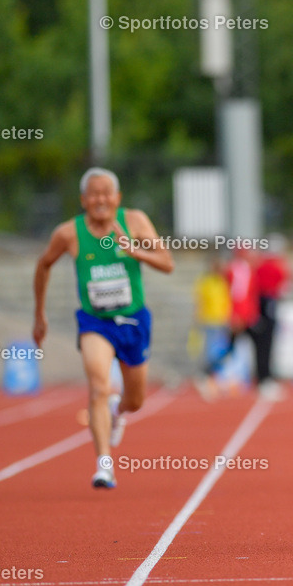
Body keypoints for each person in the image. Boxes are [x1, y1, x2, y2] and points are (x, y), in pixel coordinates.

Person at [33, 168, 173, 489]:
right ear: (83, 200)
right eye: (93, 194)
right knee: (98, 386)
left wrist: (133, 249)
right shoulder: (69, 233)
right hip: (95, 322)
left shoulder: (135, 221)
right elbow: (43, 265)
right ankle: (104, 465)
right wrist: (39, 314)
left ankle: (119, 410)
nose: (100, 199)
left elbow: (167, 262)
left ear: (117, 198)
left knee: (136, 399)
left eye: (106, 193)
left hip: (134, 320)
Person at [200, 247, 261, 395]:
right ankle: (209, 374)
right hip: (234, 315)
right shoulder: (234, 270)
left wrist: (252, 313)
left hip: (245, 315)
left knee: (241, 347)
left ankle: (248, 379)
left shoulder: (247, 270)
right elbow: (235, 294)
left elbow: (250, 294)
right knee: (227, 348)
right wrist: (236, 314)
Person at [253, 235, 290, 396]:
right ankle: (264, 378)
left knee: (263, 345)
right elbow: (282, 288)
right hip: (266, 306)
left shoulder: (259, 265)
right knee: (265, 344)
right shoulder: (274, 266)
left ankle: (264, 377)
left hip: (262, 306)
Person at [191, 254, 232, 392]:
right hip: (208, 320)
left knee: (220, 352)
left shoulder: (222, 281)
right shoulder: (205, 282)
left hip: (221, 321)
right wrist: (198, 318)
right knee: (210, 352)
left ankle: (213, 376)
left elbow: (226, 301)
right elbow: (199, 301)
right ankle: (205, 377)